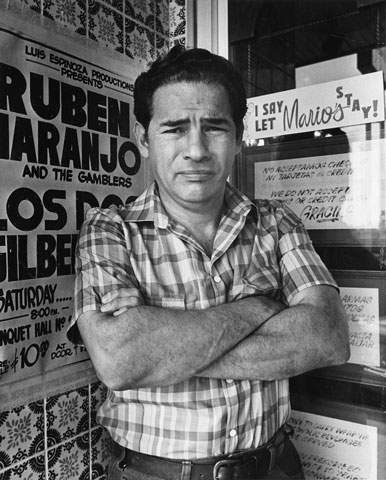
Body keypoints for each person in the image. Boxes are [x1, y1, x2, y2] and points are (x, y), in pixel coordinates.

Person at [67, 46, 350, 480]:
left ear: (238, 136)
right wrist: (259, 308)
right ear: (144, 139)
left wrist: (165, 351)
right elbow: (120, 360)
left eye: (214, 127)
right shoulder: (108, 230)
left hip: (274, 468)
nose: (196, 149)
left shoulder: (276, 221)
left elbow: (327, 337)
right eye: (175, 129)